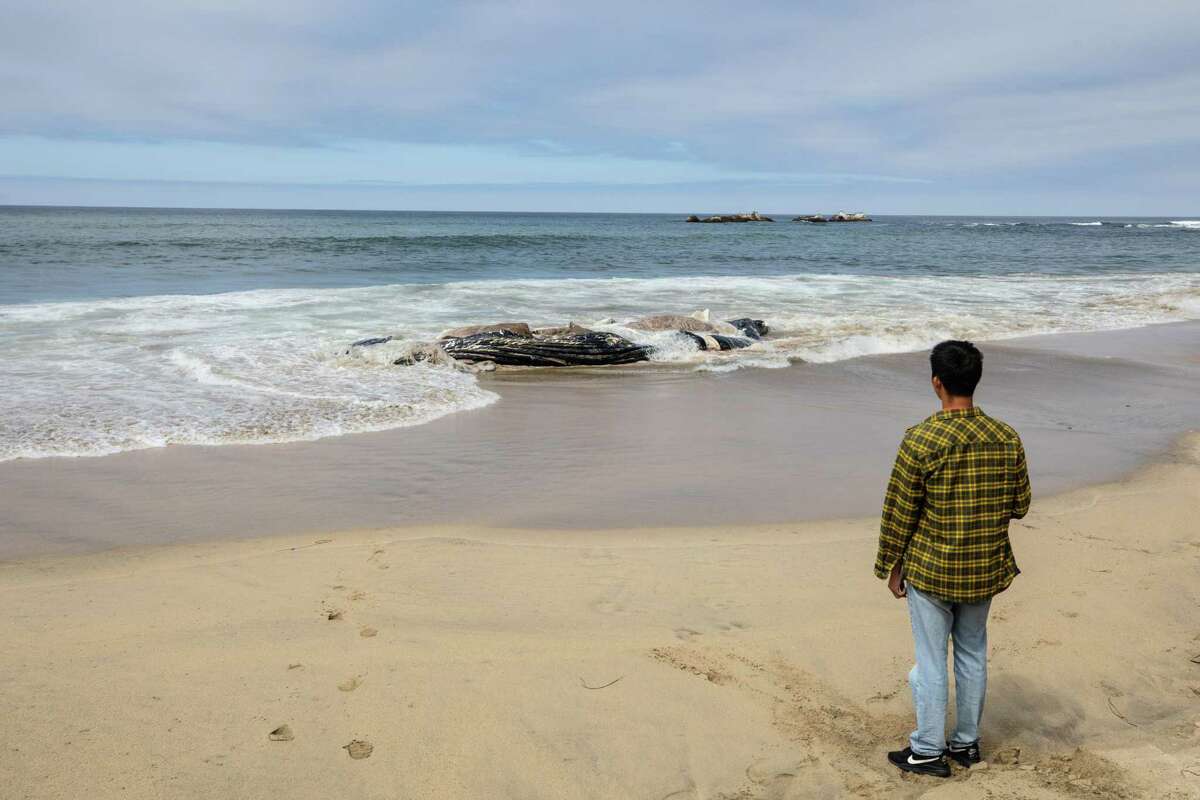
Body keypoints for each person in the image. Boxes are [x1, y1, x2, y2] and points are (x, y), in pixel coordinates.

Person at [874, 340, 1031, 778]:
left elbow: (899, 511)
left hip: (932, 567)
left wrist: (891, 563)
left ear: (936, 383)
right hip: (983, 566)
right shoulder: (1006, 436)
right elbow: (1020, 503)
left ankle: (926, 749)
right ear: (974, 381)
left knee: (930, 659)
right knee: (972, 652)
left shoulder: (921, 438)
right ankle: (965, 744)